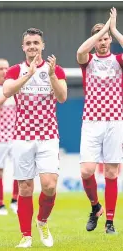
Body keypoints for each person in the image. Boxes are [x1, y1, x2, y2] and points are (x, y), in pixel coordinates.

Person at [3, 28, 67, 248]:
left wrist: (50, 76)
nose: (32, 46)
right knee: (25, 188)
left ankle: (42, 221)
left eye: (36, 43)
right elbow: (7, 91)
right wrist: (28, 75)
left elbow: (63, 97)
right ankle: (26, 236)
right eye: (28, 43)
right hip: (22, 136)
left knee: (49, 186)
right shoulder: (15, 70)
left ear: (43, 45)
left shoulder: (55, 69)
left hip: (48, 136)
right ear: (23, 47)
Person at [76, 7, 123, 234]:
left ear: (110, 40)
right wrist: (104, 27)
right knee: (86, 171)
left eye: (106, 39)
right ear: (94, 42)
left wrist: (114, 29)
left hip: (115, 121)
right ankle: (95, 207)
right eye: (100, 39)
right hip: (92, 121)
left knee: (112, 173)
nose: (103, 42)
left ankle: (110, 223)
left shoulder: (118, 60)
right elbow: (80, 50)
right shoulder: (88, 61)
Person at [0, 58, 18, 215]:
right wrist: (8, 93)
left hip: (15, 135)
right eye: (1, 68)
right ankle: (1, 205)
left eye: (7, 68)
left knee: (19, 169)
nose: (5, 71)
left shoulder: (15, 87)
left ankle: (15, 201)